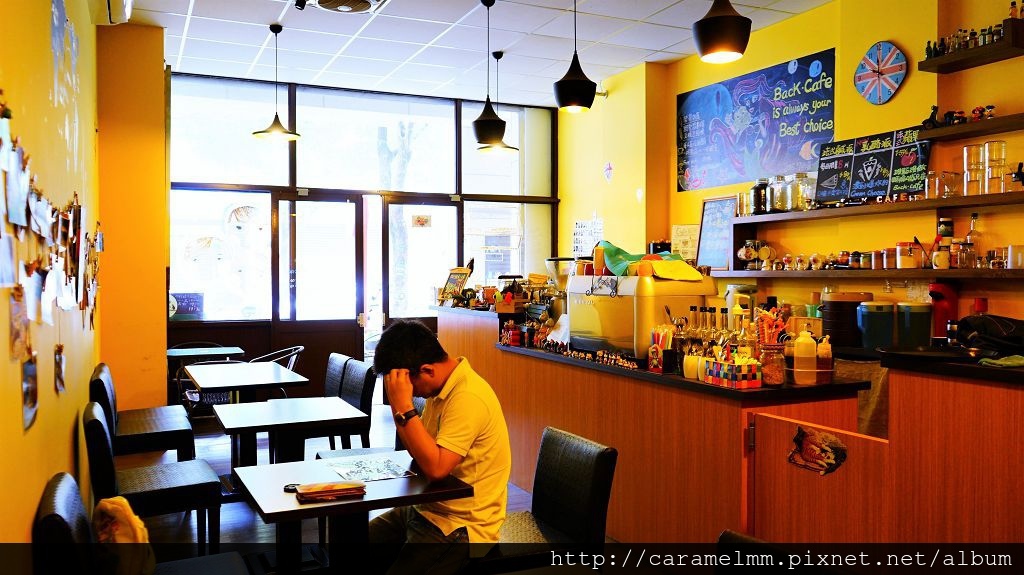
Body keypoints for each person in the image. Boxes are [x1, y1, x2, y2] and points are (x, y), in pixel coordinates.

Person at [369, 320, 511, 575]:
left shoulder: (467, 397)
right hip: (426, 508)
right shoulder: (440, 389)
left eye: (410, 386)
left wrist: (403, 406)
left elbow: (436, 469)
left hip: (461, 524)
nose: (412, 394)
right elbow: (418, 452)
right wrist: (398, 406)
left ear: (426, 370)